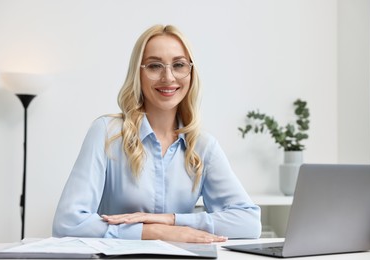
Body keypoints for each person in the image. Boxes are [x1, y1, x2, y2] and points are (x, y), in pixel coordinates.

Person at [52, 24, 261, 243]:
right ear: (138, 73)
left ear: (191, 72)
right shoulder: (107, 132)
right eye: (154, 66)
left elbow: (249, 222)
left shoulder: (202, 146)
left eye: (179, 65)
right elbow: (67, 222)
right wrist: (155, 232)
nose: (168, 77)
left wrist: (171, 220)